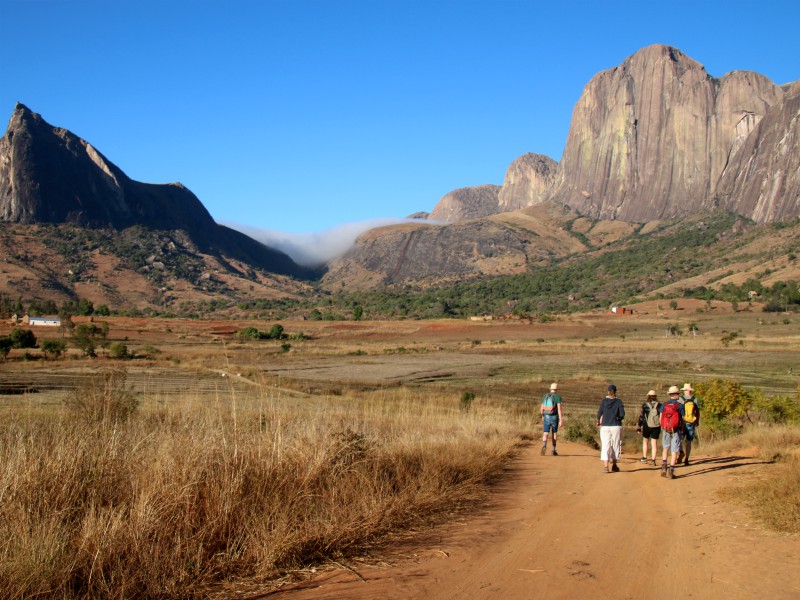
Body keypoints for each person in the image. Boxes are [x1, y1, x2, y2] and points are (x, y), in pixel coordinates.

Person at [596, 384, 625, 473]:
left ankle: (605, 466)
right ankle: (614, 465)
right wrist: (618, 419)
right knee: (615, 445)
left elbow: (599, 414)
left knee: (605, 445)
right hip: (615, 425)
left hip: (605, 426)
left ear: (608, 391)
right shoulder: (619, 402)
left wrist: (599, 421)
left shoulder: (604, 401)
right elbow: (622, 414)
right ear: (615, 391)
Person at [659, 386, 685, 479]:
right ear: (676, 395)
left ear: (670, 395)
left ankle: (664, 467)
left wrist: (663, 427)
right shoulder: (680, 406)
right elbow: (683, 419)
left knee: (665, 448)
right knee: (674, 451)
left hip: (666, 429)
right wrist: (682, 430)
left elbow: (661, 418)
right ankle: (671, 471)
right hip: (676, 430)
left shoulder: (664, 405)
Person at [637, 390, 661, 466]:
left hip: (647, 425)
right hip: (656, 426)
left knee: (645, 441)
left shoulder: (645, 405)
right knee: (654, 443)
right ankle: (653, 460)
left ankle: (644, 457)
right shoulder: (660, 405)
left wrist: (639, 426)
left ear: (648, 396)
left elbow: (641, 416)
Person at [680, 383, 701, 466]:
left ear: (686, 390)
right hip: (691, 423)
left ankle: (681, 452)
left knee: (679, 439)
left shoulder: (680, 399)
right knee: (688, 442)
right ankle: (687, 459)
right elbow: (697, 412)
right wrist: (697, 421)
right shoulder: (695, 399)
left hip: (682, 422)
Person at [540, 382, 563, 456]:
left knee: (545, 433)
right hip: (554, 417)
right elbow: (559, 410)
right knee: (554, 433)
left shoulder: (544, 396)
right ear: (556, 390)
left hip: (546, 416)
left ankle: (544, 445)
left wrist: (543, 416)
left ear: (551, 389)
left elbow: (541, 408)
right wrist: (561, 420)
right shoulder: (558, 397)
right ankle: (553, 450)